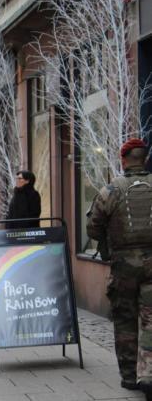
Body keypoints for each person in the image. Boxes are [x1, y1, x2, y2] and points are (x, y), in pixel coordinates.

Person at [87, 138, 152, 397]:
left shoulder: (111, 190)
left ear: (124, 160)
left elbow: (92, 227)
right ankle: (148, 373)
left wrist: (106, 243)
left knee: (125, 319)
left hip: (124, 265)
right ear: (144, 159)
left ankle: (129, 377)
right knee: (150, 318)